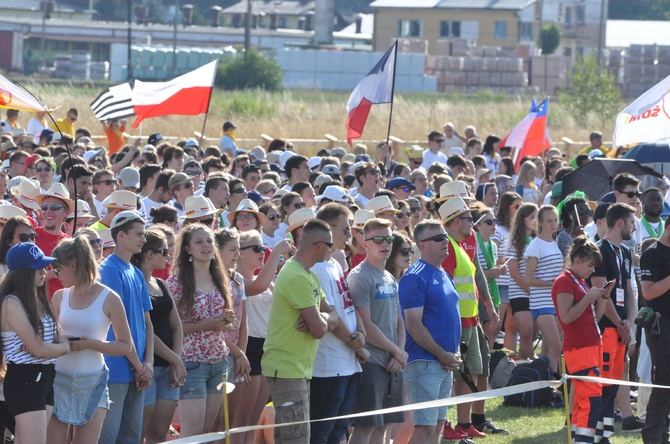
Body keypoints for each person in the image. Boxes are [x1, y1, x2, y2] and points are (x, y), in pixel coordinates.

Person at [48, 238, 133, 444]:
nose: (56, 275)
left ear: (73, 265)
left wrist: (90, 344)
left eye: (58, 269)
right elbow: (49, 338)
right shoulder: (59, 296)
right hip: (58, 380)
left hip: (93, 382)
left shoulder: (110, 298)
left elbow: (125, 345)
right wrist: (63, 342)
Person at [261, 219, 339, 444]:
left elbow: (332, 316)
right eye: (330, 244)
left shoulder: (309, 275)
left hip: (297, 369)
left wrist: (321, 318)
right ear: (318, 246)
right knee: (296, 440)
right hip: (287, 370)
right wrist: (321, 321)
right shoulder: (296, 275)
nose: (332, 250)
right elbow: (318, 331)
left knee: (291, 437)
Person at [166, 224, 235, 438]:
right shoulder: (176, 283)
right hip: (191, 362)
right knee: (192, 435)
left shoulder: (221, 278)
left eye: (209, 241)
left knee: (205, 433)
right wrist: (207, 325)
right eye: (199, 241)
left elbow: (222, 324)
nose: (206, 245)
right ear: (187, 249)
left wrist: (227, 321)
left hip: (219, 361)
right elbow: (170, 327)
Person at [0, 243, 70, 444]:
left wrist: (51, 348)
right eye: (37, 267)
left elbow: (52, 340)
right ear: (23, 272)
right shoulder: (11, 302)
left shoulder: (36, 299)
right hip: (26, 378)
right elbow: (40, 348)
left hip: (44, 376)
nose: (44, 272)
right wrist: (63, 348)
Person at [310, 204, 368, 444]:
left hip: (347, 362)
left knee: (339, 430)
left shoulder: (334, 264)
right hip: (328, 365)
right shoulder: (317, 268)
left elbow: (348, 306)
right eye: (346, 229)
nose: (349, 235)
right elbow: (329, 315)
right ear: (328, 229)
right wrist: (357, 345)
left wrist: (361, 334)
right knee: (322, 433)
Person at [399, 220, 462, 444]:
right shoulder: (414, 276)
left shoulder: (443, 273)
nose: (445, 241)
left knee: (436, 426)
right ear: (422, 245)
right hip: (425, 362)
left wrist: (451, 354)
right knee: (424, 428)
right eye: (438, 238)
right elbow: (414, 325)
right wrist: (441, 354)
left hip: (442, 361)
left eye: (444, 236)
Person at [348, 219, 407, 444]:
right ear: (365, 243)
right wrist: (396, 352)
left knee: (383, 427)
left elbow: (399, 320)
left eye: (389, 239)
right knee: (366, 427)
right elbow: (366, 326)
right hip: (371, 361)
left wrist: (398, 353)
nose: (385, 244)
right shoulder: (360, 276)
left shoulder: (390, 276)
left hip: (392, 361)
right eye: (379, 240)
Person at [98, 211, 155, 444]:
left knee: (131, 438)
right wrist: (140, 365)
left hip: (137, 368)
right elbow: (117, 325)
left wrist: (147, 363)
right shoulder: (108, 270)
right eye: (139, 234)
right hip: (117, 370)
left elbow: (147, 323)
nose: (143, 239)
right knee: (108, 437)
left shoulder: (136, 272)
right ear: (121, 236)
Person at [552, 236, 610, 444]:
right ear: (577, 261)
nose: (592, 271)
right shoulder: (564, 281)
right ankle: (584, 441)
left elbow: (595, 316)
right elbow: (566, 317)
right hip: (579, 348)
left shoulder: (580, 282)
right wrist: (588, 297)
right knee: (590, 399)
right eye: (590, 266)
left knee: (586, 398)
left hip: (591, 344)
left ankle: (585, 438)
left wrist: (603, 297)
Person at [589, 203, 640, 439]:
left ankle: (606, 435)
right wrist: (619, 322)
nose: (633, 227)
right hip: (605, 328)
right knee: (603, 386)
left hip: (620, 327)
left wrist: (629, 320)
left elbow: (628, 290)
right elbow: (600, 291)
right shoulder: (599, 251)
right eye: (631, 223)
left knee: (613, 385)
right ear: (620, 223)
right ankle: (597, 434)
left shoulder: (626, 252)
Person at [133, 228, 186, 444]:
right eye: (164, 251)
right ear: (150, 254)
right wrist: (176, 360)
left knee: (159, 434)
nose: (168, 255)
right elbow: (145, 332)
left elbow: (177, 326)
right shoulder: (134, 285)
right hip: (147, 367)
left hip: (168, 368)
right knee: (139, 432)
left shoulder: (161, 284)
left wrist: (176, 360)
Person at [524, 205, 563, 373]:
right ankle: (552, 382)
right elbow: (528, 279)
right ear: (540, 223)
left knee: (548, 350)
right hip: (541, 303)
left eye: (555, 220)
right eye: (549, 221)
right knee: (556, 347)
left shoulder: (554, 243)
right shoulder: (535, 245)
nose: (553, 224)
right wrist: (551, 284)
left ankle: (545, 383)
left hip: (555, 302)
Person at [507, 203, 538, 359]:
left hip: (535, 293)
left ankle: (524, 362)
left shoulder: (538, 239)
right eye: (531, 217)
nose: (535, 220)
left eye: (537, 217)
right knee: (526, 331)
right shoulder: (515, 242)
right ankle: (530, 363)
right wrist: (528, 289)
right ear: (522, 219)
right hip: (519, 292)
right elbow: (513, 271)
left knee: (532, 334)